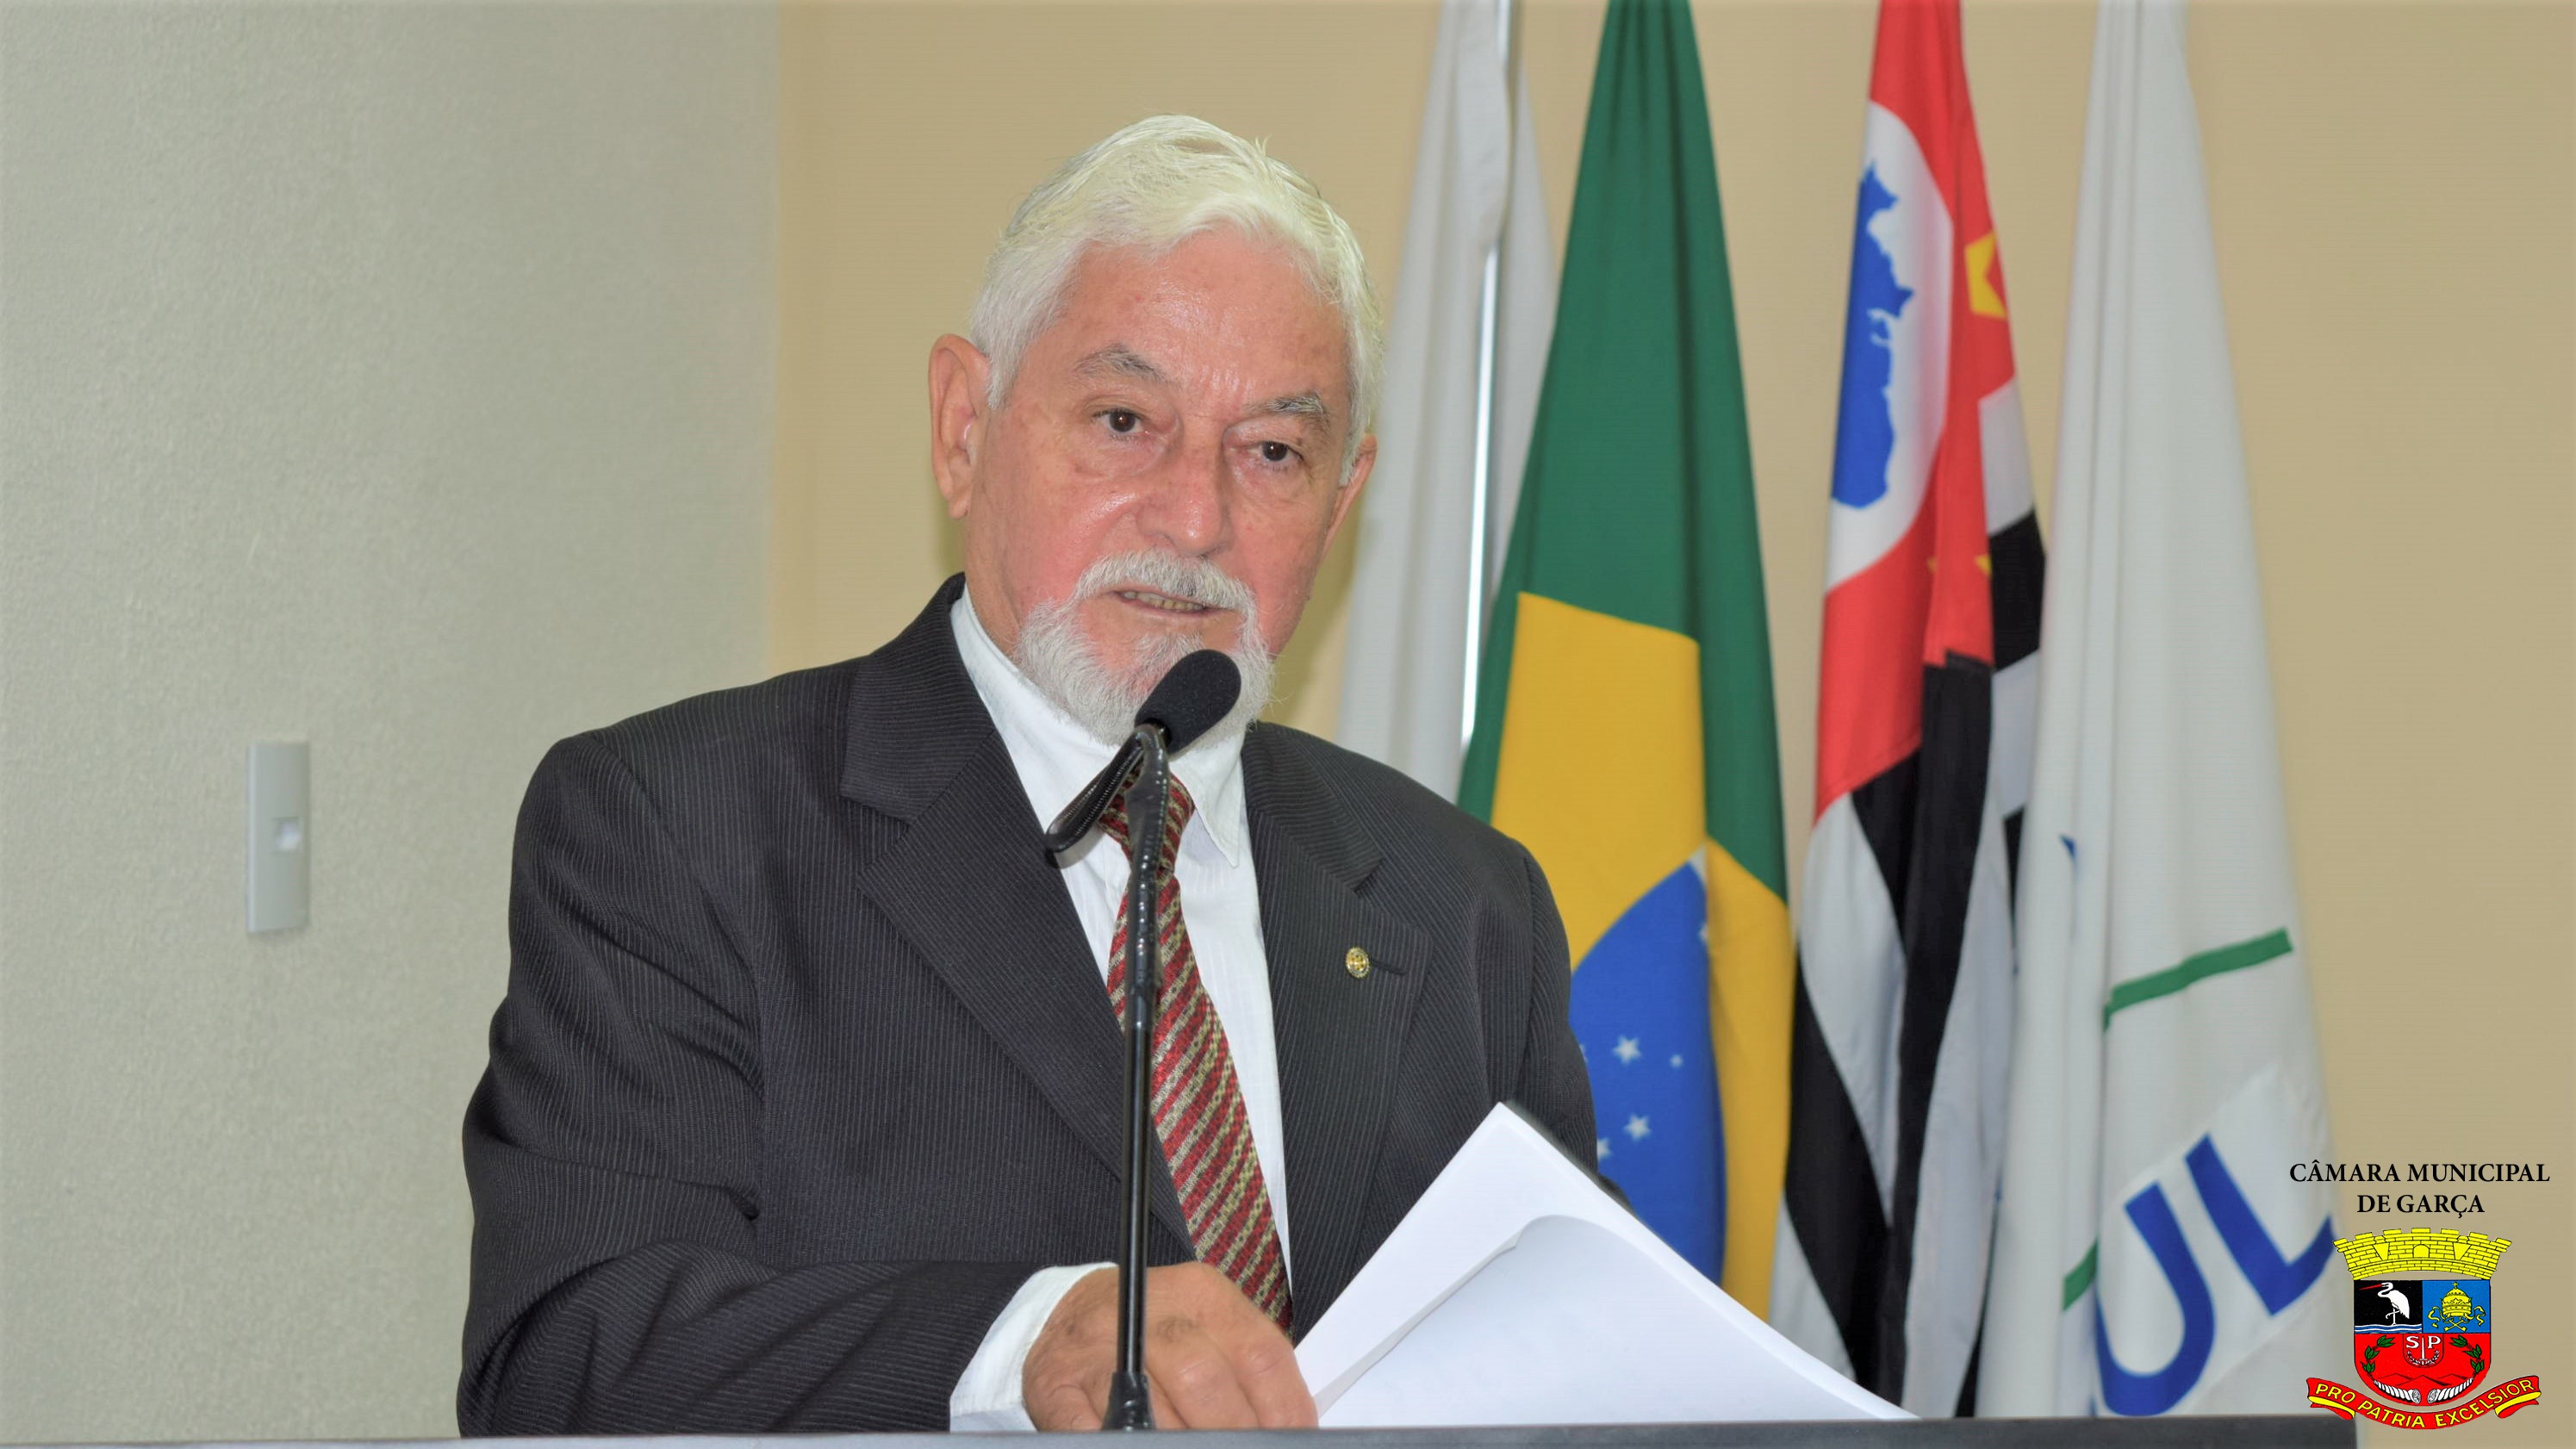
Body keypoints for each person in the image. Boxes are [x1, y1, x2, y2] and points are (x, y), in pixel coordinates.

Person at [458, 115, 1595, 1434]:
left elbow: (1577, 1354)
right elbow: (568, 1357)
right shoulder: (677, 829)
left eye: (1273, 452)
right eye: (1123, 420)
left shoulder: (1468, 903)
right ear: (963, 427)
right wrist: (1017, 1344)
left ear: (1342, 502)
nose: (1196, 518)